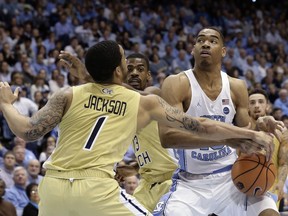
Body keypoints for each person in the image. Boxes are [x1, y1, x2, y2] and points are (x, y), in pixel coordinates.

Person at [0, 40, 276, 216]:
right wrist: (243, 135)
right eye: (125, 63)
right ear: (118, 71)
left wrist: (6, 103)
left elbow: (26, 131)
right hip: (98, 186)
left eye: (138, 67)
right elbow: (200, 125)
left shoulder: (68, 94)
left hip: (54, 186)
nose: (130, 70)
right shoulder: (142, 102)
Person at [153, 27, 281, 216]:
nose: (205, 43)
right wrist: (224, 138)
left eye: (213, 41)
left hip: (232, 176)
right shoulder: (176, 83)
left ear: (223, 51)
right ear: (193, 49)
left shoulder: (237, 86)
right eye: (200, 40)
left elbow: (246, 130)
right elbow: (168, 137)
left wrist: (259, 123)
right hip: (190, 183)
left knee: (268, 211)